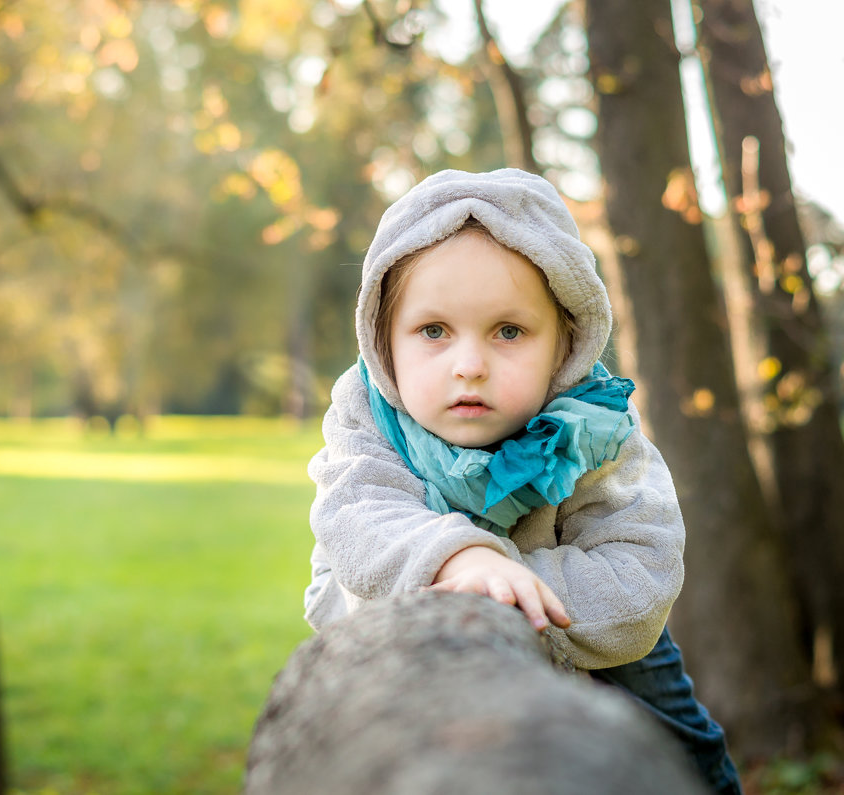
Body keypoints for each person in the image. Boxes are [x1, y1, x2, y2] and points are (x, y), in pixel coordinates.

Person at [303, 169, 741, 795]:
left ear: (565, 342)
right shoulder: (365, 411)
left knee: (681, 744)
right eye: (433, 331)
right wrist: (460, 557)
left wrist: (511, 585)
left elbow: (640, 570)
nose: (470, 365)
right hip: (396, 612)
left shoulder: (595, 428)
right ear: (383, 340)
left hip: (587, 626)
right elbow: (357, 517)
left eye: (509, 331)